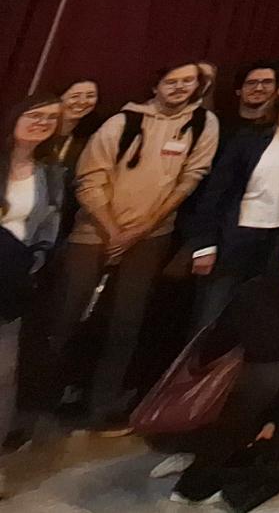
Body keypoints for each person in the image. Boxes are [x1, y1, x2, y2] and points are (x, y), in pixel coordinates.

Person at [46, 61, 217, 426]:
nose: (180, 87)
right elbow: (89, 178)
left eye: (188, 81)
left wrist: (142, 229)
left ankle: (101, 406)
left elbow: (191, 177)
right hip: (93, 234)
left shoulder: (204, 124)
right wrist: (113, 230)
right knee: (67, 317)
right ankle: (39, 400)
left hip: (151, 237)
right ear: (156, 85)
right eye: (172, 80)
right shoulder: (122, 121)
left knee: (125, 323)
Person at [164, 226, 279, 508]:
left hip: (276, 395)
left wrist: (273, 421)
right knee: (266, 374)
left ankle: (236, 459)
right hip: (224, 390)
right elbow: (265, 348)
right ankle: (199, 474)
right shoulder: (255, 290)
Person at [191, 63, 279, 327]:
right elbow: (216, 192)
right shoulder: (250, 134)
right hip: (235, 236)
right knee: (210, 318)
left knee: (255, 320)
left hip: (278, 241)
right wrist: (205, 244)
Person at [1, 96, 63, 466]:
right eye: (35, 114)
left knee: (3, 374)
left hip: (11, 280)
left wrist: (30, 265)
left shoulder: (51, 173)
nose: (42, 122)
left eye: (51, 119)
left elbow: (48, 231)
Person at [50, 78, 102, 176]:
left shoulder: (93, 136)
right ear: (59, 97)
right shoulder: (41, 128)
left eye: (90, 96)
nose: (83, 102)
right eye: (75, 96)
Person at [219, 60, 279, 143]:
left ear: (278, 89)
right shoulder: (220, 124)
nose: (259, 88)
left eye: (267, 82)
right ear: (238, 90)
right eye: (251, 83)